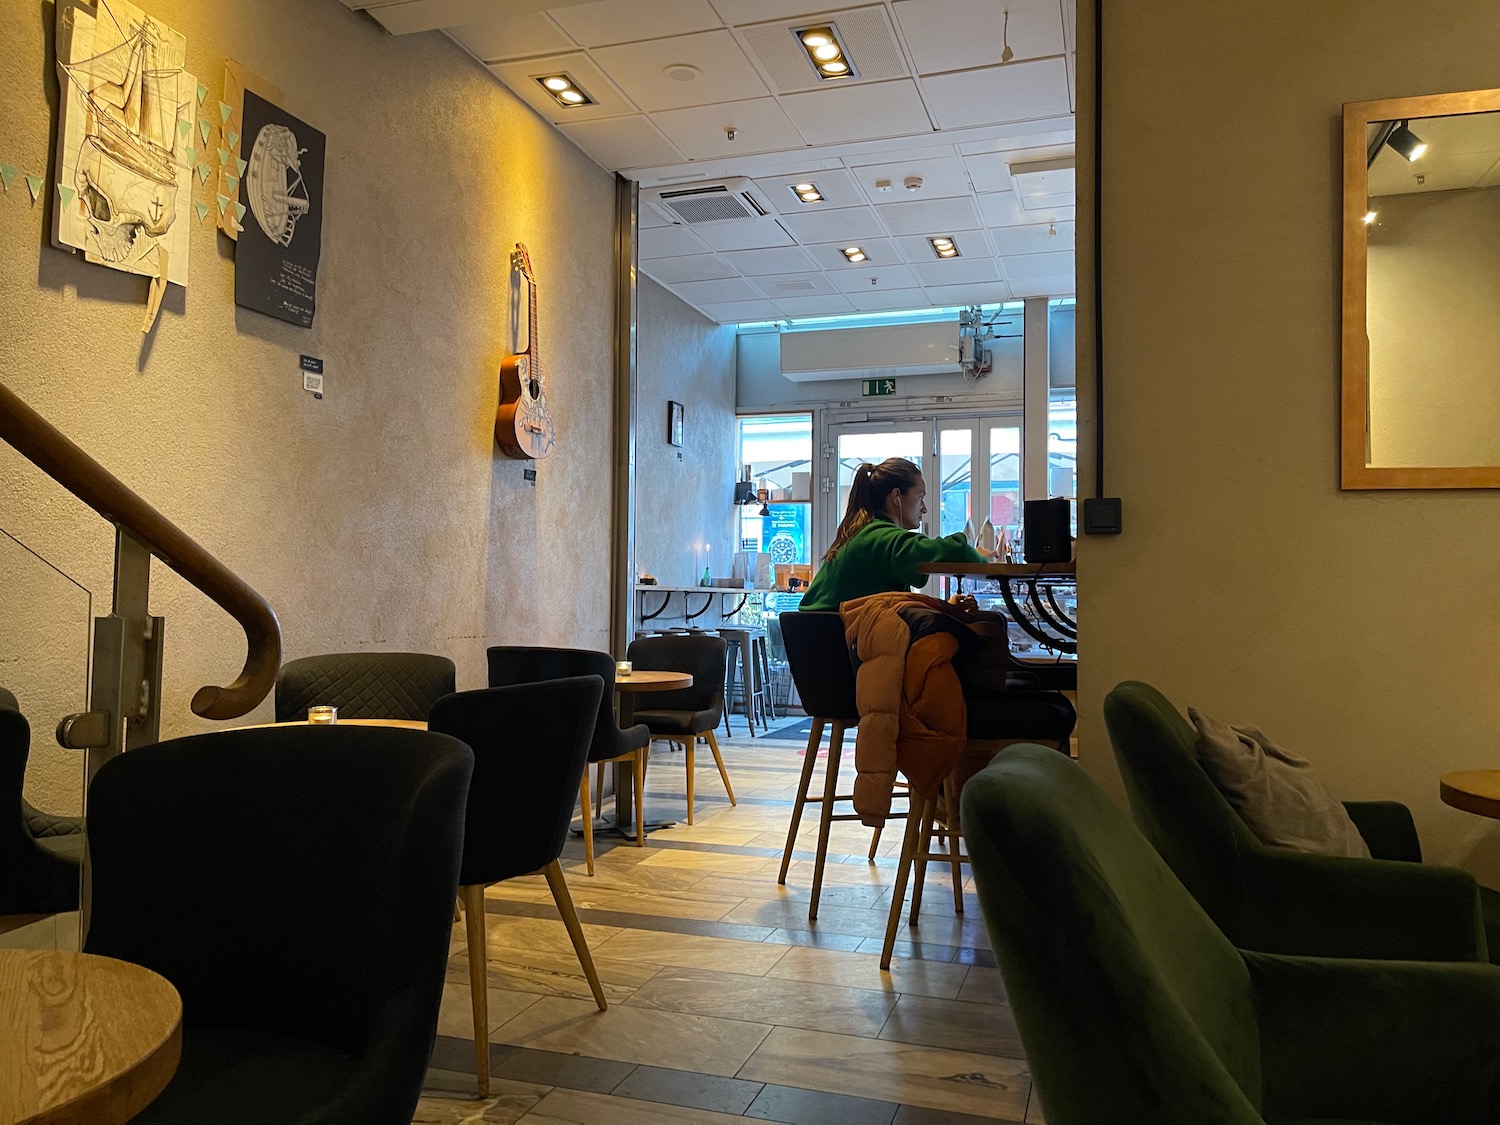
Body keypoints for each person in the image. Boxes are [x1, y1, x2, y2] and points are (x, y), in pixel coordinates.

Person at [798, 458, 982, 613]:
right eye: (920, 497)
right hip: (842, 647)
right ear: (896, 497)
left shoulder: (864, 533)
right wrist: (985, 559)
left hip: (825, 644)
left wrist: (945, 608)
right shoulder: (879, 538)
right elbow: (956, 550)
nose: (924, 508)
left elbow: (894, 608)